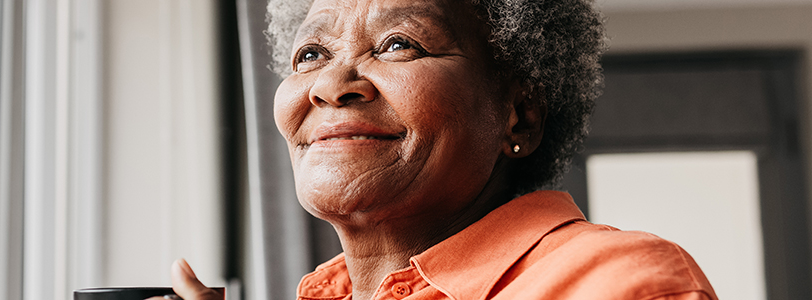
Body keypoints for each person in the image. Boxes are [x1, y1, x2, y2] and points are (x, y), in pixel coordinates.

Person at [158, 0, 717, 299]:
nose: (331, 85)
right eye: (310, 55)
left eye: (399, 44)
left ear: (517, 114)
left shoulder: (615, 283)